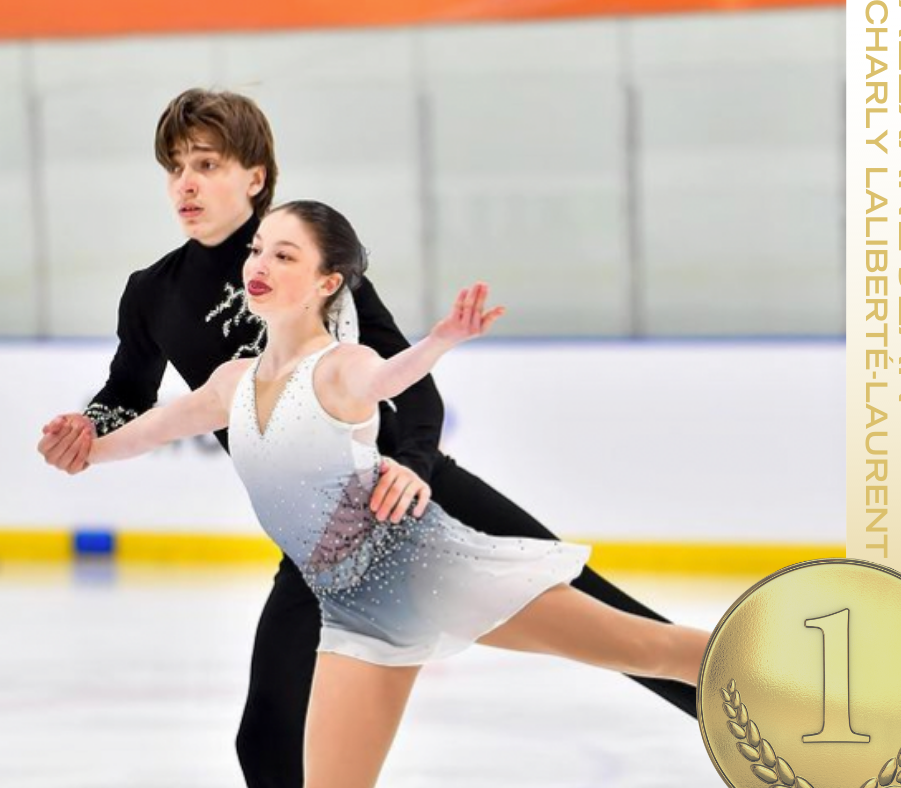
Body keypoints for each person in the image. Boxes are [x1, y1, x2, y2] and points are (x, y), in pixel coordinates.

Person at [37, 89, 697, 788]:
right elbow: (127, 398)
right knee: (267, 740)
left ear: (255, 177)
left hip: (412, 488)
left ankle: (778, 727)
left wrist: (412, 465)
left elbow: (406, 381)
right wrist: (88, 429)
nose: (186, 183)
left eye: (206, 163)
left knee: (620, 625)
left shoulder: (311, 260)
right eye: (174, 168)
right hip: (326, 541)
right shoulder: (153, 293)